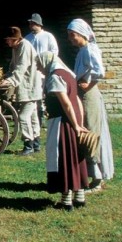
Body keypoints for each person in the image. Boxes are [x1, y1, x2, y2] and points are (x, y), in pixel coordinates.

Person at [37, 51, 90, 210]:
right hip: (73, 120)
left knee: (63, 159)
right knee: (76, 157)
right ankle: (80, 196)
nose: (39, 67)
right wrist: (80, 122)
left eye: (39, 64)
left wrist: (75, 125)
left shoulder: (55, 77)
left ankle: (66, 200)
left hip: (62, 123)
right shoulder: (69, 74)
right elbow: (77, 101)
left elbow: (66, 103)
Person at [67, 19, 115, 191]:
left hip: (89, 95)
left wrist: (90, 85)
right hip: (83, 94)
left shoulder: (90, 49)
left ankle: (98, 177)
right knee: (86, 130)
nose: (71, 39)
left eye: (73, 36)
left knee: (91, 132)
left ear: (81, 34)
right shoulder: (82, 51)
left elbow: (99, 71)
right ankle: (90, 174)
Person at [0, 26, 42, 155]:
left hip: (30, 86)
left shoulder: (25, 46)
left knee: (23, 117)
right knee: (33, 116)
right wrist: (5, 76)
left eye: (8, 40)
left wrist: (10, 81)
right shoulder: (16, 47)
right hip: (27, 86)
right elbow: (13, 66)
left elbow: (21, 68)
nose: (7, 42)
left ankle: (28, 145)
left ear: (14, 39)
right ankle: (36, 143)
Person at [25, 13, 58, 128]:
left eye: (32, 23)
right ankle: (36, 116)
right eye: (30, 23)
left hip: (45, 70)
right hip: (32, 71)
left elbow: (54, 51)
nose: (30, 25)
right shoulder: (27, 38)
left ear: (38, 24)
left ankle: (44, 115)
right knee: (35, 93)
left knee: (45, 93)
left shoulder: (48, 36)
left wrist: (47, 65)